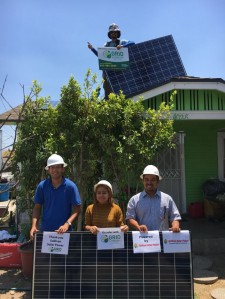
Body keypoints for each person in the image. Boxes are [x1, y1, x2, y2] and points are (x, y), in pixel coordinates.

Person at [30, 154, 81, 239]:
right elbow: (37, 207)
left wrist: (67, 224)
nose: (55, 170)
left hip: (64, 233)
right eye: (52, 167)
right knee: (46, 253)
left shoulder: (71, 186)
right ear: (48, 170)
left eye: (58, 167)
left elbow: (77, 209)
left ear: (62, 169)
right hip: (46, 233)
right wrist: (34, 226)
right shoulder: (42, 186)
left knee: (65, 253)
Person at [126, 165, 181, 232]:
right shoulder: (134, 200)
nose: (149, 182)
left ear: (158, 182)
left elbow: (175, 217)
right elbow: (130, 218)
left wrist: (175, 226)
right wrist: (138, 226)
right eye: (146, 179)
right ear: (142, 181)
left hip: (163, 239)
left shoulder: (167, 199)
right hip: (143, 238)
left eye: (153, 180)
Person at [87, 23, 135, 99]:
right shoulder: (106, 45)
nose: (114, 34)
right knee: (108, 94)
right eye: (112, 32)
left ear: (118, 33)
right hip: (108, 73)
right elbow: (101, 56)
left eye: (115, 32)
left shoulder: (122, 42)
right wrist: (92, 49)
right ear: (110, 34)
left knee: (121, 93)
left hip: (120, 72)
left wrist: (122, 46)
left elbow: (132, 43)